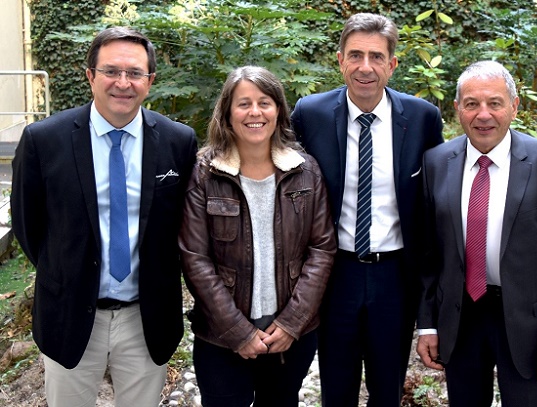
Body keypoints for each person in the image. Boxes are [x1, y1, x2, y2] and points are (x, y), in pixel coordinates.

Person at [10, 27, 198, 406]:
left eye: (135, 73)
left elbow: (185, 225)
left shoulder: (179, 141)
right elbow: (28, 225)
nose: (123, 83)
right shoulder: (44, 139)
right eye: (111, 71)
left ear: (151, 80)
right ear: (90, 75)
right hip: (71, 311)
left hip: (145, 318)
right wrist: (65, 270)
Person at [416, 60, 537, 407]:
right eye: (472, 104)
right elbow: (429, 256)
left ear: (513, 106)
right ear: (457, 109)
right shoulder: (436, 162)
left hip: (530, 323)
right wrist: (427, 325)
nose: (483, 114)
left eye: (494, 103)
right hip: (460, 317)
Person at [291, 12, 444, 406]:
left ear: (392, 65)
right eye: (355, 55)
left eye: (377, 57)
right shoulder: (311, 114)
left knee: (387, 385)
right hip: (332, 271)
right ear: (340, 59)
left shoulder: (423, 118)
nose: (365, 67)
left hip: (395, 275)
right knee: (336, 385)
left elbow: (434, 200)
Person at [178, 65, 336, 407]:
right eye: (243, 103)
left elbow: (322, 249)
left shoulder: (305, 170)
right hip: (221, 338)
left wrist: (292, 322)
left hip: (289, 338)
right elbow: (194, 257)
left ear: (278, 110)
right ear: (227, 113)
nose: (255, 112)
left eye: (264, 102)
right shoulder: (205, 174)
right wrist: (238, 331)